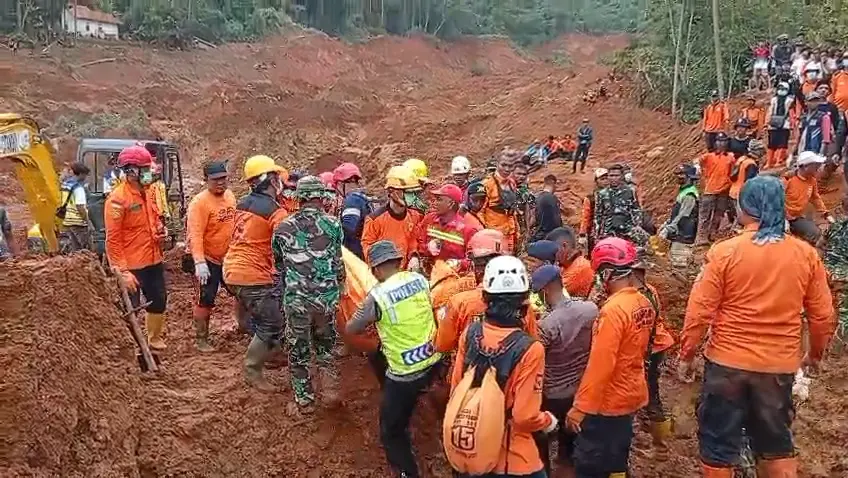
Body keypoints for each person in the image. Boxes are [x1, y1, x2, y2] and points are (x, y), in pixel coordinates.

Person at [678, 176, 835, 478]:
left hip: (727, 365)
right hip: (778, 368)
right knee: (776, 445)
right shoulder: (806, 256)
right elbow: (822, 317)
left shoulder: (724, 253)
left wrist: (687, 354)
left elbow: (699, 312)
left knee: (719, 449)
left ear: (746, 208)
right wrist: (814, 355)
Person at [448, 255, 556, 478]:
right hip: (512, 458)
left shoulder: (471, 334)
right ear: (524, 303)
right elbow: (524, 417)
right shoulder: (530, 349)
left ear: (486, 298)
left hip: (472, 448)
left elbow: (456, 389)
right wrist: (548, 421)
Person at [346, 240, 441, 478]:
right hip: (433, 359)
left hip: (405, 373)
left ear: (375, 270)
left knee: (391, 431)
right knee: (379, 354)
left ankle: (407, 472)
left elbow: (352, 328)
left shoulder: (377, 296)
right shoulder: (420, 279)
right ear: (398, 263)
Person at [566, 237, 658, 478]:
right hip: (632, 392)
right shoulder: (643, 302)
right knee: (617, 459)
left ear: (607, 274)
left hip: (608, 400)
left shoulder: (613, 311)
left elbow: (601, 365)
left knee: (590, 463)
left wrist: (580, 408)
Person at [273, 176, 344, 411]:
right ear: (321, 197)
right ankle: (330, 388)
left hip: (297, 302)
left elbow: (279, 263)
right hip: (326, 299)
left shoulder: (283, 228)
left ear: (299, 198)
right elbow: (337, 261)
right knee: (325, 346)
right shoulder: (333, 225)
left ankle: (305, 399)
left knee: (298, 350)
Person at [223, 155, 290, 391]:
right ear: (271, 181)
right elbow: (285, 247)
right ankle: (253, 370)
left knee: (264, 310)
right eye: (277, 178)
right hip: (253, 275)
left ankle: (271, 349)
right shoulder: (275, 211)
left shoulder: (241, 204)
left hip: (231, 269)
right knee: (273, 322)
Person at [530, 264, 598, 477]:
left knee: (541, 444)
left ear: (546, 290)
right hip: (579, 390)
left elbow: (535, 358)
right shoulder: (590, 310)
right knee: (569, 445)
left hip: (551, 394)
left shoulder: (548, 325)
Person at [105, 146, 168, 350]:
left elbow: (153, 220)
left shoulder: (148, 192)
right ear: (131, 171)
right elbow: (113, 239)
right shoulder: (118, 199)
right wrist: (122, 271)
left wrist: (160, 231)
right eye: (145, 169)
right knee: (130, 308)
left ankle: (154, 339)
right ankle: (131, 345)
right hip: (131, 264)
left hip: (153, 258)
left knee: (158, 299)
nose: (150, 173)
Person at [186, 160, 237, 352]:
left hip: (229, 257)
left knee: (240, 293)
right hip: (207, 259)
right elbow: (195, 234)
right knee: (205, 298)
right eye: (215, 180)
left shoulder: (231, 197)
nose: (220, 183)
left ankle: (243, 326)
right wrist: (199, 262)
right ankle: (201, 339)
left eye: (223, 179)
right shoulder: (199, 203)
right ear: (206, 180)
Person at [362, 165, 424, 270]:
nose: (412, 197)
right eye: (407, 192)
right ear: (392, 192)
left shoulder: (415, 216)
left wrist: (414, 256)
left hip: (405, 274)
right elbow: (368, 249)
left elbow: (414, 240)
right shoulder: (374, 220)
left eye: (413, 193)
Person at [414, 183, 480, 269]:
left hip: (454, 277)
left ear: (451, 204)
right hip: (430, 272)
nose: (434, 203)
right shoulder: (429, 219)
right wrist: (427, 248)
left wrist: (459, 263)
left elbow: (475, 261)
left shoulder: (468, 229)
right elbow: (416, 241)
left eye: (439, 199)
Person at [783, 151, 835, 245]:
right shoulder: (788, 180)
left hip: (796, 218)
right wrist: (784, 218)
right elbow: (776, 200)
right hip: (781, 217)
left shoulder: (812, 181)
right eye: (815, 166)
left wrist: (826, 214)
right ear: (805, 166)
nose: (818, 168)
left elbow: (815, 198)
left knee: (816, 235)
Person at [592, 164, 648, 250]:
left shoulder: (630, 191)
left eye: (616, 175)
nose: (614, 178)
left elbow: (636, 210)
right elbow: (598, 215)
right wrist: (597, 234)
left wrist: (637, 226)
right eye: (611, 176)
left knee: (637, 250)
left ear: (621, 176)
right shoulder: (602, 194)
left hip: (627, 228)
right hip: (609, 229)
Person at [695, 132, 734, 244]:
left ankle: (712, 233)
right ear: (715, 143)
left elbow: (733, 171)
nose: (722, 143)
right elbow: (697, 161)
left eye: (724, 141)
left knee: (719, 214)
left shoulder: (730, 157)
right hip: (710, 190)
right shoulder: (709, 156)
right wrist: (697, 167)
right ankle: (701, 237)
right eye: (720, 141)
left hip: (724, 190)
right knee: (705, 215)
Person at [659, 164, 700, 269]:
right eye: (678, 174)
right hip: (679, 233)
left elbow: (683, 215)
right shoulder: (684, 191)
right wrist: (667, 222)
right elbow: (677, 213)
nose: (678, 176)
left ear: (689, 176)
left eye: (682, 174)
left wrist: (669, 229)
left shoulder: (689, 194)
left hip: (684, 235)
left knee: (679, 265)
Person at [480, 152, 519, 253]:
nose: (506, 169)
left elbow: (512, 210)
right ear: (497, 164)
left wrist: (516, 231)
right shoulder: (487, 184)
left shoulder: (512, 183)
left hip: (510, 231)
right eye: (503, 165)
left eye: (510, 166)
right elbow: (480, 211)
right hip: (493, 233)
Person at [823, 195, 848, 344]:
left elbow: (820, 244)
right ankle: (835, 352)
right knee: (845, 316)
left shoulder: (834, 225)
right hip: (843, 277)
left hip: (824, 273)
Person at [335, 162, 371, 259]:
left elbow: (349, 228)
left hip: (355, 254)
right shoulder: (363, 198)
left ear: (340, 184)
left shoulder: (352, 200)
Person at [547, 226, 595, 299]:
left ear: (564, 246)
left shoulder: (578, 269)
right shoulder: (567, 265)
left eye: (553, 250)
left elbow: (550, 295)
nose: (551, 254)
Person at [58, 162, 91, 253]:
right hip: (78, 222)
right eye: (85, 175)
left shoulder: (65, 185)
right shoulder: (78, 188)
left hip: (68, 221)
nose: (85, 178)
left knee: (73, 249)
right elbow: (80, 207)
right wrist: (88, 221)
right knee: (84, 250)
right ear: (80, 174)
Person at [766, 82, 795, 168]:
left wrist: (792, 124)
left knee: (782, 143)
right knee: (771, 144)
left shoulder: (790, 100)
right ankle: (769, 162)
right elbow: (770, 111)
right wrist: (767, 122)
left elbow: (791, 113)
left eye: (784, 89)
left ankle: (779, 160)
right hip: (773, 124)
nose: (781, 90)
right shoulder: (774, 99)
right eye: (780, 88)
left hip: (785, 123)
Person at [578, 168, 609, 251]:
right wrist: (582, 234)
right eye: (602, 179)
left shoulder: (616, 195)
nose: (605, 181)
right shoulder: (590, 199)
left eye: (607, 178)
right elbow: (585, 216)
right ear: (596, 181)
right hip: (595, 232)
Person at [797, 91, 834, 156]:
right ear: (806, 102)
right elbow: (800, 134)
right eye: (811, 101)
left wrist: (822, 153)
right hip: (804, 148)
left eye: (816, 101)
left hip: (816, 149)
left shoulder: (824, 116)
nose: (814, 103)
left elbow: (826, 138)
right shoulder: (803, 117)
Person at [512, 162, 535, 255]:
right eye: (518, 174)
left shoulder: (525, 192)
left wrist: (528, 229)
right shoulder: (505, 189)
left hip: (520, 228)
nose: (521, 177)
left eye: (524, 174)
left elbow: (528, 211)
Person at [532, 174, 562, 242]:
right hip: (549, 236)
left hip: (539, 235)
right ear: (554, 184)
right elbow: (556, 220)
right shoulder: (552, 198)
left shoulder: (537, 197)